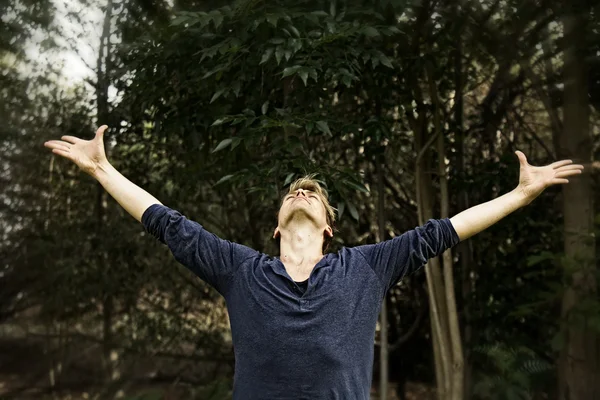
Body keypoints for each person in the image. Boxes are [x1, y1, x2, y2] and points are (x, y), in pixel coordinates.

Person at [44, 125, 584, 399]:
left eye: (313, 195)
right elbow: (168, 224)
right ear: (277, 225)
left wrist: (520, 196)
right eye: (293, 193)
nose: (301, 194)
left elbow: (444, 232)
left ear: (328, 226)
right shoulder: (241, 271)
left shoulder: (365, 268)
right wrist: (101, 171)